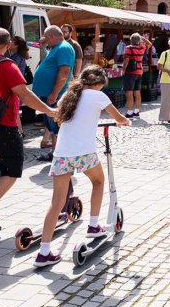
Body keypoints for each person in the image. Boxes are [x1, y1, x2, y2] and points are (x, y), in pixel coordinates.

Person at [33, 65, 130, 267]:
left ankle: (44, 253)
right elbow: (118, 118)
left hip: (61, 154)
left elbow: (61, 122)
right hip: (84, 153)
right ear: (99, 83)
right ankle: (94, 225)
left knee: (57, 202)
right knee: (98, 182)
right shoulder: (98, 96)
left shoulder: (68, 95)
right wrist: (123, 122)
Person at [0, 28, 58, 234]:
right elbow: (25, 95)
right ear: (8, 46)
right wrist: (50, 111)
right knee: (12, 169)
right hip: (2, 125)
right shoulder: (7, 66)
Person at [33, 26, 75, 161]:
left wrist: (54, 93)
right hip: (49, 95)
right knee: (51, 125)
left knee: (56, 125)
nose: (45, 39)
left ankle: (59, 155)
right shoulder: (55, 48)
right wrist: (42, 46)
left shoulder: (63, 48)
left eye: (46, 37)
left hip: (55, 95)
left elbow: (64, 72)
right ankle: (55, 153)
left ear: (51, 36)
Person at [122, 33, 150, 118]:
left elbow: (126, 60)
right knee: (137, 92)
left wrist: (123, 69)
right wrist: (143, 38)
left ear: (130, 40)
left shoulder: (128, 48)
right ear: (139, 40)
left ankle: (129, 112)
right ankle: (137, 111)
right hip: (139, 71)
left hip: (130, 72)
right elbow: (149, 44)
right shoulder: (141, 47)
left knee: (129, 92)